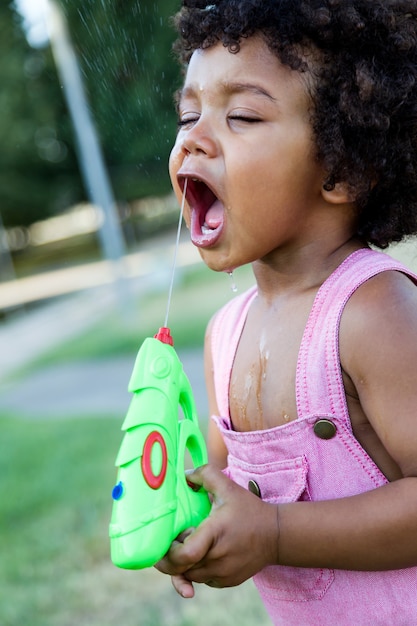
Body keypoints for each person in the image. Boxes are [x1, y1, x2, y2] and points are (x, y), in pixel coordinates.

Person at [156, 1, 417, 624]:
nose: (193, 136)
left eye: (241, 114)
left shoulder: (373, 311)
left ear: (344, 166)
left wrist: (274, 532)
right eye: (189, 113)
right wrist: (180, 520)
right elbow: (218, 482)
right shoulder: (226, 332)